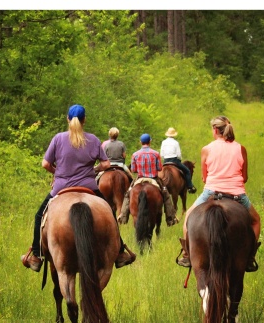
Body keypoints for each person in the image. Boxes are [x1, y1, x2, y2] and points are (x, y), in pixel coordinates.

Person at [21, 104, 136, 270]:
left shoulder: (58, 138)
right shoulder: (94, 140)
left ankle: (37, 256)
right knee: (110, 213)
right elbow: (106, 164)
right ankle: (119, 252)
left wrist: (57, 172)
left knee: (39, 216)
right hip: (88, 186)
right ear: (84, 120)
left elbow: (45, 163)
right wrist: (94, 169)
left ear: (68, 119)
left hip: (61, 187)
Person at [176, 116, 261, 272]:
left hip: (211, 192)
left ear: (215, 130)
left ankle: (188, 254)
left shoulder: (206, 149)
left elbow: (204, 177)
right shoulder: (241, 148)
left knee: (188, 218)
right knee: (256, 221)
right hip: (237, 194)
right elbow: (245, 178)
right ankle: (250, 256)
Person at [117, 133, 178, 225]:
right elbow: (160, 168)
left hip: (140, 178)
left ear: (141, 142)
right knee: (165, 194)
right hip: (153, 178)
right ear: (150, 142)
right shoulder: (156, 154)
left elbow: (133, 170)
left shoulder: (135, 154)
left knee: (128, 194)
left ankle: (123, 216)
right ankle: (170, 218)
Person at [160, 127, 196, 193]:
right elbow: (179, 154)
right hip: (174, 161)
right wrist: (179, 160)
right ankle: (190, 186)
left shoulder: (163, 142)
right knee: (187, 171)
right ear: (174, 135)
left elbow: (162, 154)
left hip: (165, 161)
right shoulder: (176, 142)